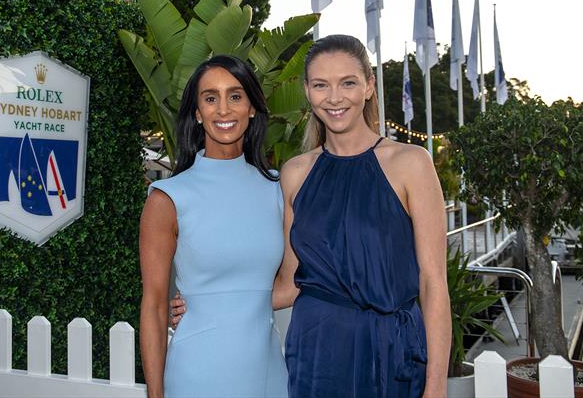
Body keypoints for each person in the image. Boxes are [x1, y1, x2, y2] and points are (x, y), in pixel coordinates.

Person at [172, 35, 451, 398]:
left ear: (368, 86)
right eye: (321, 85)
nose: (334, 97)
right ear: (307, 90)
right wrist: (207, 301)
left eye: (347, 82)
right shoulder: (295, 173)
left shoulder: (412, 163)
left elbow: (433, 283)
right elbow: (289, 284)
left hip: (392, 354)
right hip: (316, 353)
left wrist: (436, 386)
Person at [139, 55, 288, 398]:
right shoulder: (167, 198)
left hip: (269, 377)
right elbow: (154, 306)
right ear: (196, 112)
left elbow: (295, 283)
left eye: (235, 96)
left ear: (251, 107)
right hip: (196, 375)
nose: (223, 109)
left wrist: (222, 303)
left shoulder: (279, 189)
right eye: (210, 98)